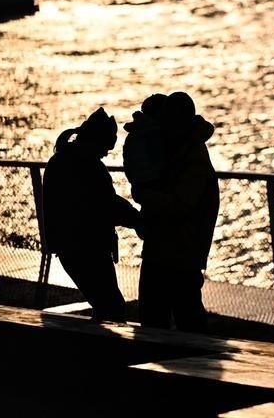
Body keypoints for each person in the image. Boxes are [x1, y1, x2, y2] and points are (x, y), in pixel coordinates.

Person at [123, 91, 220, 332]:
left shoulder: (192, 157)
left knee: (184, 317)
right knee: (159, 315)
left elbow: (179, 204)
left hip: (181, 251)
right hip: (165, 247)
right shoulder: (177, 150)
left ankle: (194, 355)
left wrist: (144, 194)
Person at [42, 107, 142, 323]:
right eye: (105, 147)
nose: (106, 153)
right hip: (88, 247)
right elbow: (107, 204)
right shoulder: (88, 166)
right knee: (112, 306)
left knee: (104, 304)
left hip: (70, 247)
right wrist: (138, 220)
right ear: (96, 141)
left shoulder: (61, 161)